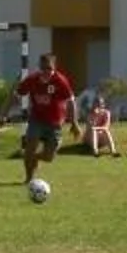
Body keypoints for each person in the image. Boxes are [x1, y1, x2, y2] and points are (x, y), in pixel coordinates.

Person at [14, 52, 77, 186]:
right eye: (43, 68)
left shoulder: (60, 81)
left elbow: (71, 101)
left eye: (49, 68)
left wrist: (74, 123)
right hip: (37, 119)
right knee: (30, 147)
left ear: (54, 68)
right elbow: (17, 94)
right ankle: (29, 178)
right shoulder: (32, 79)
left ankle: (35, 158)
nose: (46, 72)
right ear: (39, 68)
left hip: (55, 122)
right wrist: (4, 114)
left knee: (49, 157)